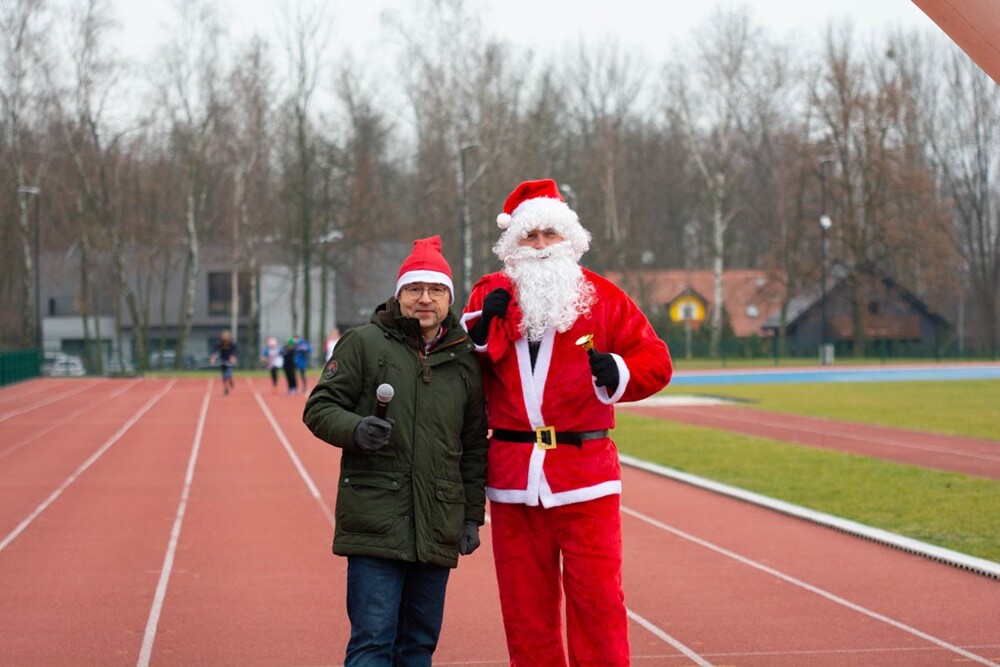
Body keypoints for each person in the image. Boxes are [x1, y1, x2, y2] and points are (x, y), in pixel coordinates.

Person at [461, 179, 673, 666]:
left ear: (569, 240)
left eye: (548, 235)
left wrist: (618, 372)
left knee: (597, 602)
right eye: (528, 236)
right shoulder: (490, 294)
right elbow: (459, 363)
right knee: (524, 609)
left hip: (586, 477)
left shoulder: (604, 297)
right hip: (513, 479)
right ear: (511, 244)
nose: (538, 246)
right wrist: (476, 330)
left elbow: (656, 361)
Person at [303, 235, 488, 666]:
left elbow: (475, 444)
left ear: (448, 299)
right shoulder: (364, 343)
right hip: (376, 518)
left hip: (438, 519)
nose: (425, 299)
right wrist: (355, 429)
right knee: (372, 643)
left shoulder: (465, 360)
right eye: (415, 290)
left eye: (436, 290)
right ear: (399, 294)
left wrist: (471, 517)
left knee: (419, 646)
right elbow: (320, 407)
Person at [209, 329, 239, 395]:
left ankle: (227, 387)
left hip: (229, 361)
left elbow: (236, 350)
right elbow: (214, 350)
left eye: (227, 340)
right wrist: (213, 358)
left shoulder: (232, 344)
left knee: (228, 375)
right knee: (224, 377)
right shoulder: (220, 344)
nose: (226, 341)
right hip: (222, 361)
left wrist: (233, 357)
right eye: (225, 340)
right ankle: (226, 387)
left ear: (229, 338)